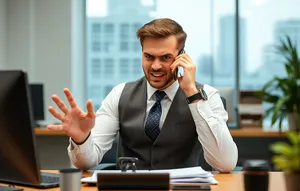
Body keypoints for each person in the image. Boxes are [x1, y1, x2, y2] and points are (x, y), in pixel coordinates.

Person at [48, 18, 238, 172]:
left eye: (165, 58)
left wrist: (192, 94)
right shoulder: (119, 94)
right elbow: (86, 163)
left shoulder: (207, 96)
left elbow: (226, 163)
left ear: (182, 56)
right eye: (149, 57)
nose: (155, 66)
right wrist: (82, 139)